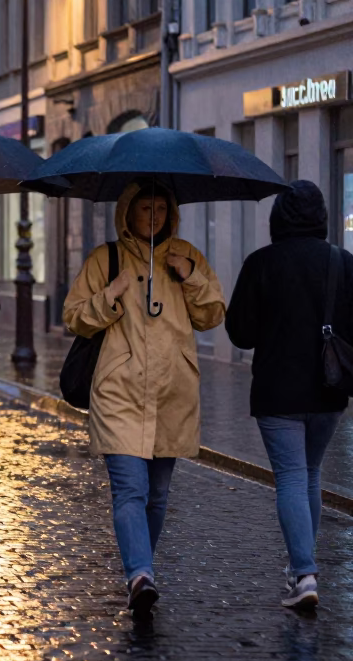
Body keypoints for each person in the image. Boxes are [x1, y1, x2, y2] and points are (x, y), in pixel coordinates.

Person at [64, 179, 225, 618]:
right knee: (129, 490)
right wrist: (110, 297)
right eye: (144, 209)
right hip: (119, 391)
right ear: (128, 213)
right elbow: (74, 317)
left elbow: (213, 315)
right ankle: (140, 574)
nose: (152, 216)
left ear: (170, 213)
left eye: (159, 209)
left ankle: (142, 572)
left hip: (172, 392)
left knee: (157, 494)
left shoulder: (187, 255)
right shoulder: (106, 258)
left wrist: (189, 277)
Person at [225, 180, 353, 610]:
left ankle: (304, 573)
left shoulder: (262, 263)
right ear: (322, 218)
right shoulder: (343, 262)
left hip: (279, 391)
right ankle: (302, 567)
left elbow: (239, 332)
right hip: (330, 389)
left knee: (293, 479)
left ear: (277, 217)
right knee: (310, 475)